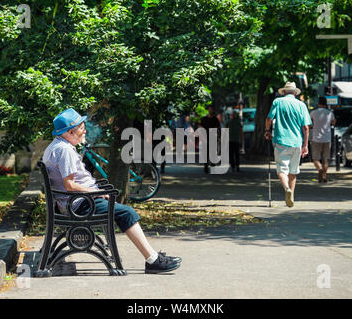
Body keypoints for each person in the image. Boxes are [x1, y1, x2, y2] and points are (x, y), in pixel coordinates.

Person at [43, 108, 181, 274]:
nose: (84, 130)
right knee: (127, 212)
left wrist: (95, 191)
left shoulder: (56, 146)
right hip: (79, 205)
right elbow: (70, 185)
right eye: (81, 127)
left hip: (75, 202)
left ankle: (152, 257)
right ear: (70, 132)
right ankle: (153, 260)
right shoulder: (64, 150)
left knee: (121, 209)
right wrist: (96, 193)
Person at [265, 82, 312, 207]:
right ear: (295, 93)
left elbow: (269, 119)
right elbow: (306, 127)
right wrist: (305, 145)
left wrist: (267, 131)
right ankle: (291, 197)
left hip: (281, 140)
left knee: (282, 169)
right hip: (297, 142)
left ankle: (287, 189)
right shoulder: (301, 105)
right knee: (293, 171)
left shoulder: (278, 102)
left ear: (284, 92)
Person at [309, 96, 336, 183]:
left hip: (316, 138)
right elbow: (333, 122)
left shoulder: (313, 113)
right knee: (325, 159)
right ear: (326, 104)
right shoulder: (329, 113)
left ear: (318, 103)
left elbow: (310, 123)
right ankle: (324, 177)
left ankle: (319, 168)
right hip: (327, 138)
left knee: (315, 158)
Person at [199, 105, 221, 173]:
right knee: (206, 153)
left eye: (212, 109)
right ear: (208, 110)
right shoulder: (204, 119)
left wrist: (219, 137)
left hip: (213, 138)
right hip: (205, 138)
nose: (211, 110)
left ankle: (213, 166)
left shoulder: (215, 119)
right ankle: (206, 167)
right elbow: (200, 127)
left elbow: (218, 128)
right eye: (210, 109)